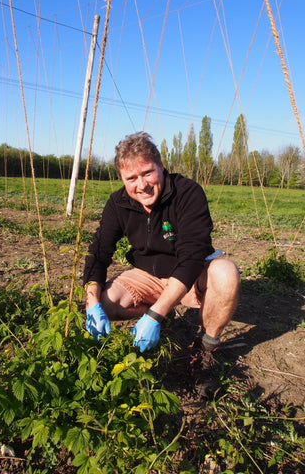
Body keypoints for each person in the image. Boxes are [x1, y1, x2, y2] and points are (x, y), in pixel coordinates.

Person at [83, 132, 240, 398]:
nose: (141, 185)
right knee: (107, 301)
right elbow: (99, 253)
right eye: (131, 178)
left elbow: (192, 257)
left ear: (161, 167)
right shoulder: (118, 203)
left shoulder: (187, 193)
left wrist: (154, 314)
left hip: (189, 277)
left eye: (147, 173)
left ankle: (206, 350)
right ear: (122, 179)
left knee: (226, 273)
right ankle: (161, 316)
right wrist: (91, 302)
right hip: (148, 275)